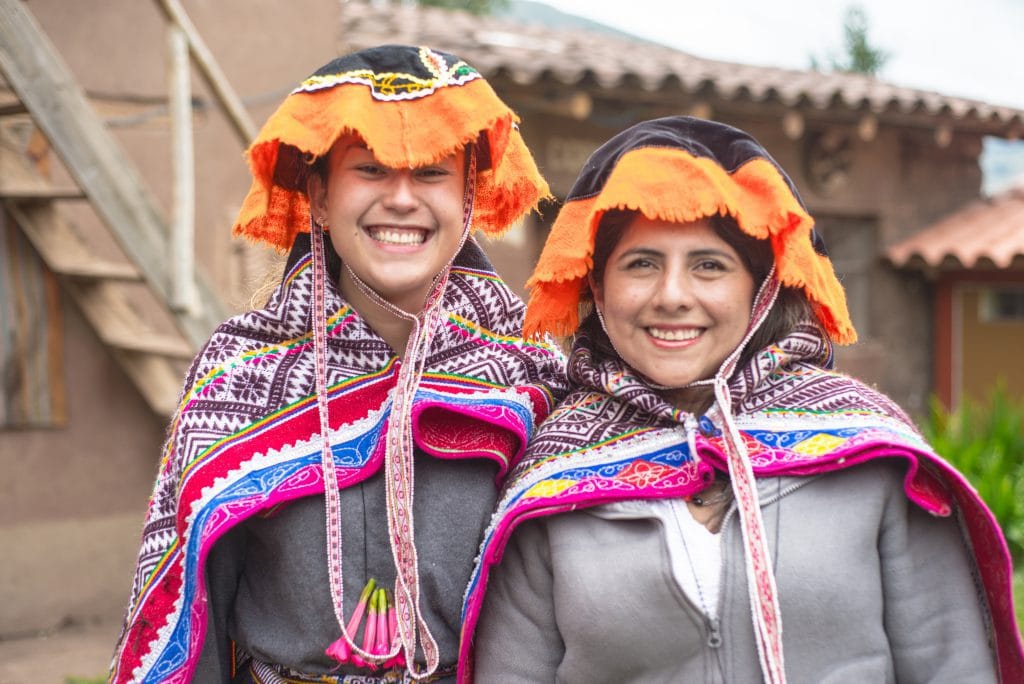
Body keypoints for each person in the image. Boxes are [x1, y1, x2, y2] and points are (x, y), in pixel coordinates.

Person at [464, 116, 1024, 683]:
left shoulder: (873, 458)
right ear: (597, 287)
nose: (673, 296)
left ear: (764, 286)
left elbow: (951, 667)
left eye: (710, 265)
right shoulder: (552, 477)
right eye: (641, 264)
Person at [108, 45, 567, 683]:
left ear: (468, 197)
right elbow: (188, 609)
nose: (402, 199)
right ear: (319, 196)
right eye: (372, 170)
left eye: (432, 172)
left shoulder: (530, 370)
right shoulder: (238, 371)